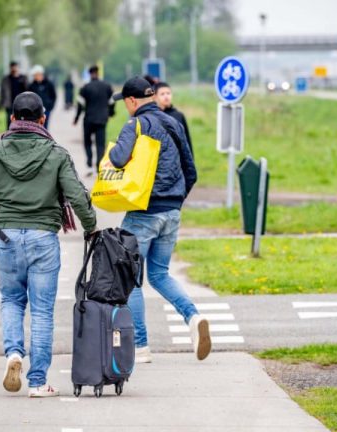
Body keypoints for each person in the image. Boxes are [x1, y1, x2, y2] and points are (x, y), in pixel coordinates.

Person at [0, 92, 97, 397]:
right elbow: (77, 196)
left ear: (12, 118)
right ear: (42, 118)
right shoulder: (56, 154)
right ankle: (38, 382)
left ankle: (14, 354)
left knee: (11, 300)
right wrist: (91, 227)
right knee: (41, 311)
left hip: (6, 236)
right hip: (43, 237)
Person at [110, 77, 209, 363]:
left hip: (144, 212)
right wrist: (176, 201)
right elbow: (191, 170)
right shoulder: (172, 122)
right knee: (159, 274)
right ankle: (193, 317)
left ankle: (140, 346)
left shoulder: (136, 125)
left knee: (131, 278)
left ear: (131, 101)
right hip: (172, 211)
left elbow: (117, 159)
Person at [73, 65, 114, 176]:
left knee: (87, 142)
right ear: (98, 73)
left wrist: (76, 118)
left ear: (90, 74)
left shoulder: (85, 87)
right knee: (100, 144)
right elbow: (111, 102)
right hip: (102, 119)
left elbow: (80, 105)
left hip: (89, 119)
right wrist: (111, 113)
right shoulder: (106, 86)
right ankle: (99, 167)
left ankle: (89, 164)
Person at [154, 82, 193, 159]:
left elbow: (186, 140)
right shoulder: (153, 116)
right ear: (155, 97)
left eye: (168, 93)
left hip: (178, 159)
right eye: (162, 94)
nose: (166, 96)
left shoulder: (179, 115)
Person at [0, 61, 29, 129]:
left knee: (21, 121)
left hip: (21, 104)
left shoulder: (23, 78)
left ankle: (20, 135)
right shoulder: (6, 79)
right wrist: (0, 104)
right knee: (9, 122)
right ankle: (9, 136)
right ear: (10, 68)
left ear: (18, 68)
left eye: (16, 67)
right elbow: (2, 92)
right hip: (9, 104)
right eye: (12, 67)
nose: (14, 69)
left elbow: (28, 90)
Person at [28, 65, 57, 130]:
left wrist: (51, 106)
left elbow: (54, 96)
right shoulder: (31, 86)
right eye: (34, 75)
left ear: (40, 74)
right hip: (35, 110)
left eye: (36, 75)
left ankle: (45, 138)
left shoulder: (49, 84)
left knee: (45, 126)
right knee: (36, 127)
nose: (35, 77)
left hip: (46, 109)